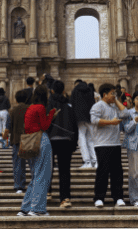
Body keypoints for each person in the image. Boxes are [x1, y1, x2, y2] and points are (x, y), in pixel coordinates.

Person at [18, 85, 58, 216]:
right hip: (41, 140)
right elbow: (45, 125)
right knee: (43, 174)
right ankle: (37, 208)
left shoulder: (30, 107)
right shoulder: (41, 107)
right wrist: (51, 114)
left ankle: (25, 207)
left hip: (31, 142)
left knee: (36, 175)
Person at [90, 84, 127, 208]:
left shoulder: (114, 106)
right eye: (112, 93)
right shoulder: (98, 106)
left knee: (117, 172)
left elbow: (125, 113)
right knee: (103, 171)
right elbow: (94, 120)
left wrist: (116, 100)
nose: (114, 95)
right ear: (104, 94)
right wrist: (111, 122)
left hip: (115, 143)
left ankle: (118, 197)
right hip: (102, 144)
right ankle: (99, 197)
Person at [47, 81, 77, 209]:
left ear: (52, 91)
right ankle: (65, 198)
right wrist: (74, 143)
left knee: (48, 168)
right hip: (66, 140)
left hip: (50, 140)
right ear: (63, 91)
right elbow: (75, 126)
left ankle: (47, 192)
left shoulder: (47, 105)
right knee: (64, 171)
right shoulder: (69, 106)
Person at [5, 89, 32, 193]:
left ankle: (19, 186)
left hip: (16, 140)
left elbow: (8, 128)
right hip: (29, 139)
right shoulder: (30, 109)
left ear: (16, 100)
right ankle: (34, 183)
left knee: (18, 164)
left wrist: (5, 137)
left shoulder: (12, 111)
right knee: (32, 163)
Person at [70, 80, 97, 170]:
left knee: (81, 139)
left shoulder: (75, 91)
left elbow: (72, 105)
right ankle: (95, 161)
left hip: (79, 118)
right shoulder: (90, 90)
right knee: (91, 139)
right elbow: (93, 103)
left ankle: (87, 161)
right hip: (89, 117)